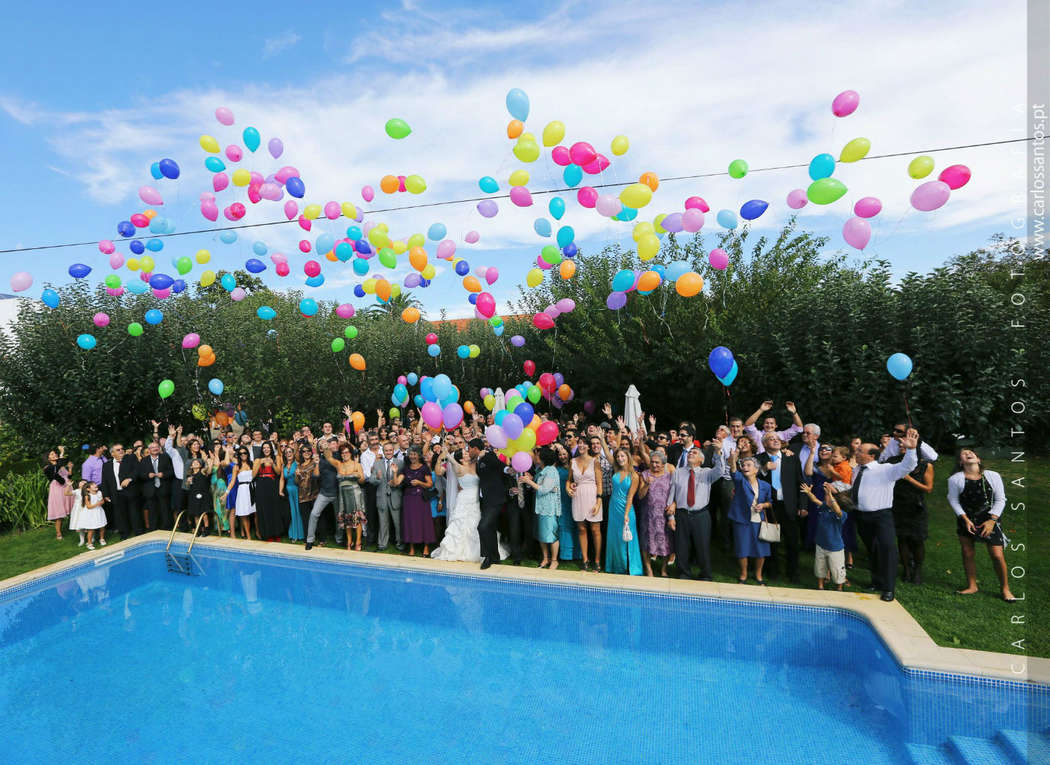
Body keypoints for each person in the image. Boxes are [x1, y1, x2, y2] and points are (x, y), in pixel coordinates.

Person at [851, 429, 920, 602]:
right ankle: (876, 581)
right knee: (872, 550)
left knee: (887, 550)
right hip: (861, 516)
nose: (856, 452)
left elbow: (907, 466)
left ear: (871, 456)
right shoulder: (857, 470)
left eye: (860, 451)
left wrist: (911, 450)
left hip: (881, 516)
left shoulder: (885, 470)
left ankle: (888, 588)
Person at [947, 449, 1016, 601]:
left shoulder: (993, 476)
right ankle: (972, 586)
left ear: (978, 459)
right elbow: (953, 500)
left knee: (997, 555)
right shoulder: (955, 479)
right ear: (961, 462)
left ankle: (1005, 589)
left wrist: (992, 521)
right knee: (967, 552)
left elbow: (1000, 500)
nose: (968, 454)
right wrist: (964, 519)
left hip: (990, 519)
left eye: (971, 453)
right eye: (964, 454)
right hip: (967, 519)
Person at [667, 442, 725, 580]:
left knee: (702, 546)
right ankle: (683, 573)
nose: (691, 454)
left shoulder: (707, 473)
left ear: (701, 460)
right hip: (681, 514)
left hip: (701, 515)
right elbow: (671, 495)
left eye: (695, 453)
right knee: (681, 546)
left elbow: (720, 470)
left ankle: (705, 574)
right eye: (690, 452)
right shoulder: (678, 472)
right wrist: (670, 517)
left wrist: (718, 453)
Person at [758, 434, 805, 583]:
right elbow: (750, 477)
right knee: (771, 540)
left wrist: (802, 505)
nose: (776, 440)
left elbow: (800, 481)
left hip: (788, 505)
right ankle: (773, 571)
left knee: (792, 541)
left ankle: (793, 573)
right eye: (771, 439)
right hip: (769, 506)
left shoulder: (791, 457)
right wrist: (764, 469)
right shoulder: (758, 459)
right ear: (764, 444)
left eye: (777, 438)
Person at [430, 444, 487, 562]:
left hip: (475, 500)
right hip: (464, 499)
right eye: (465, 453)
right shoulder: (458, 467)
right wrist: (444, 454)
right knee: (461, 524)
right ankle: (457, 550)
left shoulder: (474, 465)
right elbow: (448, 463)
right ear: (461, 459)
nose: (467, 453)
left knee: (474, 524)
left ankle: (476, 549)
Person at [891, 437, 934, 585]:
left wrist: (910, 479)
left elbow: (928, 488)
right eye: (901, 446)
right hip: (898, 504)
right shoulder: (894, 461)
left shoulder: (925, 465)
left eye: (905, 446)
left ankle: (917, 570)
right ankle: (907, 570)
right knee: (902, 539)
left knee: (917, 540)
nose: (902, 447)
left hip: (916, 506)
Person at [727, 451, 772, 584]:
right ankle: (744, 574)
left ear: (756, 469)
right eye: (743, 465)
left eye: (748, 465)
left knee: (761, 550)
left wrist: (763, 505)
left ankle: (758, 575)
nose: (745, 467)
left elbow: (770, 502)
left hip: (759, 520)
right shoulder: (740, 480)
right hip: (742, 520)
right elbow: (734, 471)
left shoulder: (766, 485)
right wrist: (734, 459)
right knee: (742, 548)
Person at [519, 447, 562, 569]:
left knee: (552, 534)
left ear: (543, 458)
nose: (535, 457)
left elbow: (544, 489)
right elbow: (539, 486)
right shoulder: (540, 470)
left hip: (549, 508)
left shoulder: (551, 471)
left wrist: (529, 482)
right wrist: (532, 479)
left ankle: (554, 560)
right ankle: (545, 558)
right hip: (539, 506)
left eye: (537, 455)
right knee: (541, 534)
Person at [801, 483, 847, 591]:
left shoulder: (841, 514)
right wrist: (809, 493)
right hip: (821, 544)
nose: (825, 497)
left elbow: (837, 510)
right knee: (820, 567)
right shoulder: (824, 507)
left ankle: (839, 588)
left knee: (837, 570)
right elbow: (815, 500)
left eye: (827, 496)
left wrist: (830, 495)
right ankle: (820, 586)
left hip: (835, 548)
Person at [604, 448, 642, 575]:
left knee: (626, 538)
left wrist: (626, 514)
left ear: (628, 457)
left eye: (622, 456)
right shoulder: (616, 470)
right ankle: (616, 566)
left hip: (626, 508)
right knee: (614, 537)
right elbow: (609, 456)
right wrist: (602, 439)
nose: (620, 458)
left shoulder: (634, 476)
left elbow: (630, 496)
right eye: (618, 456)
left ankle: (630, 567)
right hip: (613, 507)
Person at [636, 448, 674, 577]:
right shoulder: (644, 475)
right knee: (646, 542)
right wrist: (646, 484)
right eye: (652, 462)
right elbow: (640, 496)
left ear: (664, 464)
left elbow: (674, 495)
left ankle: (664, 569)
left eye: (657, 463)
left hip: (663, 515)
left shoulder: (669, 476)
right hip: (648, 515)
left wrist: (673, 505)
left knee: (666, 542)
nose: (654, 465)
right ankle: (649, 569)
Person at [567, 438, 603, 572]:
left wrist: (599, 502)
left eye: (584, 443)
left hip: (593, 496)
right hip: (578, 496)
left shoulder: (595, 461)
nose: (581, 445)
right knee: (581, 529)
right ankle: (585, 560)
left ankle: (597, 561)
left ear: (588, 446)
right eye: (579, 443)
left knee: (595, 529)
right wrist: (568, 488)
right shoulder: (573, 462)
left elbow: (599, 483)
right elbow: (568, 480)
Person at [475, 438, 508, 570]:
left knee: (482, 527)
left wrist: (509, 470)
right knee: (490, 528)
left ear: (475, 448)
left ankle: (488, 556)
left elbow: (501, 467)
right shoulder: (477, 460)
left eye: (469, 449)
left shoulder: (488, 456)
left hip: (495, 500)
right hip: (485, 500)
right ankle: (495, 557)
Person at [327, 443, 366, 551]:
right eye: (342, 452)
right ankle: (349, 541)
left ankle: (358, 541)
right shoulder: (339, 465)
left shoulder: (356, 464)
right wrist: (325, 446)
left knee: (356, 518)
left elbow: (362, 480)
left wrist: (357, 475)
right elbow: (328, 457)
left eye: (347, 452)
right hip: (342, 493)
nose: (345, 454)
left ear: (351, 452)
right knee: (346, 518)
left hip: (355, 493)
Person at [305, 438, 341, 551]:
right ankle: (310, 540)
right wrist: (316, 464)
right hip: (324, 493)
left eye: (327, 444)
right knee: (314, 514)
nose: (325, 446)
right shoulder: (319, 459)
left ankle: (339, 539)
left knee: (339, 518)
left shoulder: (338, 455)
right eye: (323, 445)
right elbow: (316, 476)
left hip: (337, 493)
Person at [401, 447, 435, 556]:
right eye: (411, 454)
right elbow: (398, 481)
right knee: (410, 522)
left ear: (419, 455)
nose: (412, 456)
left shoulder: (424, 468)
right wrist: (395, 473)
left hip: (421, 498)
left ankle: (426, 547)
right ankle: (411, 547)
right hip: (408, 498)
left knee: (424, 522)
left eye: (415, 454)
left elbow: (430, 484)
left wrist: (420, 483)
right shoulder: (405, 468)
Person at [370, 442, 404, 551]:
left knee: (398, 522)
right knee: (383, 522)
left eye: (390, 450)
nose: (388, 452)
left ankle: (400, 543)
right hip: (382, 497)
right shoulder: (377, 464)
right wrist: (378, 478)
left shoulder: (400, 463)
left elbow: (403, 481)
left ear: (393, 451)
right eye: (386, 450)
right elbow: (371, 480)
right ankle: (382, 544)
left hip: (395, 496)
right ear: (383, 452)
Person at [102, 443, 139, 540]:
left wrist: (129, 479)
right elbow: (104, 480)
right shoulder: (107, 465)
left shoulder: (131, 459)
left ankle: (138, 532)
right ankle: (124, 533)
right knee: (120, 514)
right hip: (116, 493)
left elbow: (137, 471)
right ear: (112, 453)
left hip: (130, 491)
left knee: (134, 512)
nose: (121, 451)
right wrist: (105, 494)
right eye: (118, 450)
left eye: (122, 449)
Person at [137, 442, 174, 531]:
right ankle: (153, 529)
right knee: (152, 510)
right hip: (150, 490)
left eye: (156, 447)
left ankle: (166, 528)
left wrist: (164, 474)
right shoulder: (144, 460)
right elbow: (140, 474)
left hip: (163, 488)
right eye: (152, 447)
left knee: (165, 509)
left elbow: (171, 471)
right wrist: (147, 475)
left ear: (159, 448)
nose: (155, 449)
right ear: (149, 450)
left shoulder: (165, 458)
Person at [222, 448, 256, 541]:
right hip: (242, 490)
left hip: (253, 488)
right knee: (244, 514)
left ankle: (258, 532)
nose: (243, 455)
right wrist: (226, 493)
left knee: (256, 512)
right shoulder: (236, 467)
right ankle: (248, 537)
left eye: (245, 453)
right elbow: (232, 481)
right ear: (239, 455)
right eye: (241, 454)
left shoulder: (252, 464)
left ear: (248, 454)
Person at [554, 444, 578, 563]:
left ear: (569, 454)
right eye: (560, 454)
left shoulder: (574, 466)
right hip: (560, 500)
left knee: (576, 525)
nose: (562, 456)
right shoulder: (555, 467)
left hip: (573, 497)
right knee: (564, 525)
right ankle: (566, 554)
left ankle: (576, 553)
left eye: (564, 454)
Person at [43, 447, 70, 539]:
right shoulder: (47, 468)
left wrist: (70, 469)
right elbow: (56, 469)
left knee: (71, 507)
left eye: (55, 453)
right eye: (52, 454)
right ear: (48, 458)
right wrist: (62, 453)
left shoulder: (60, 465)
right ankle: (58, 533)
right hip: (57, 489)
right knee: (59, 511)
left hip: (66, 487)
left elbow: (67, 474)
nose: (55, 455)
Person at [279, 446, 304, 542]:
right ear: (285, 455)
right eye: (286, 452)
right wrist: (280, 490)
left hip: (297, 489)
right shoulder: (283, 466)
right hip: (288, 490)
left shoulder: (297, 464)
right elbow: (282, 479)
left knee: (298, 511)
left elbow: (301, 478)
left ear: (293, 454)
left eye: (290, 452)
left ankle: (300, 534)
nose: (288, 454)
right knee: (292, 511)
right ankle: (293, 534)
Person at [77, 482, 107, 550]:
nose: (95, 485)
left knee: (102, 526)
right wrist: (97, 504)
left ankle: (102, 539)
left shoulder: (99, 493)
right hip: (91, 513)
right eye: (93, 485)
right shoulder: (87, 496)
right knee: (91, 529)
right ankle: (89, 543)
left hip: (99, 512)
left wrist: (101, 502)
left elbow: (102, 501)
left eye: (95, 484)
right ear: (88, 489)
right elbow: (88, 506)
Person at [185, 459, 212, 535]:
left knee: (204, 512)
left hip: (203, 494)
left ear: (200, 466)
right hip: (193, 495)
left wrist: (208, 461)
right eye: (194, 463)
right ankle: (198, 529)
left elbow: (208, 469)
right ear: (191, 466)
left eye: (197, 463)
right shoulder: (190, 475)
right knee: (196, 513)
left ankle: (206, 529)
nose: (196, 463)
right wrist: (188, 481)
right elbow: (187, 485)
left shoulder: (202, 472)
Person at [209, 446, 230, 537]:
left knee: (223, 506)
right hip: (214, 486)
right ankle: (218, 526)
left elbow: (219, 465)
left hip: (221, 485)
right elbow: (214, 466)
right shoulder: (210, 460)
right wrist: (215, 454)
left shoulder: (222, 461)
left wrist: (225, 451)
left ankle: (225, 527)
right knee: (216, 506)